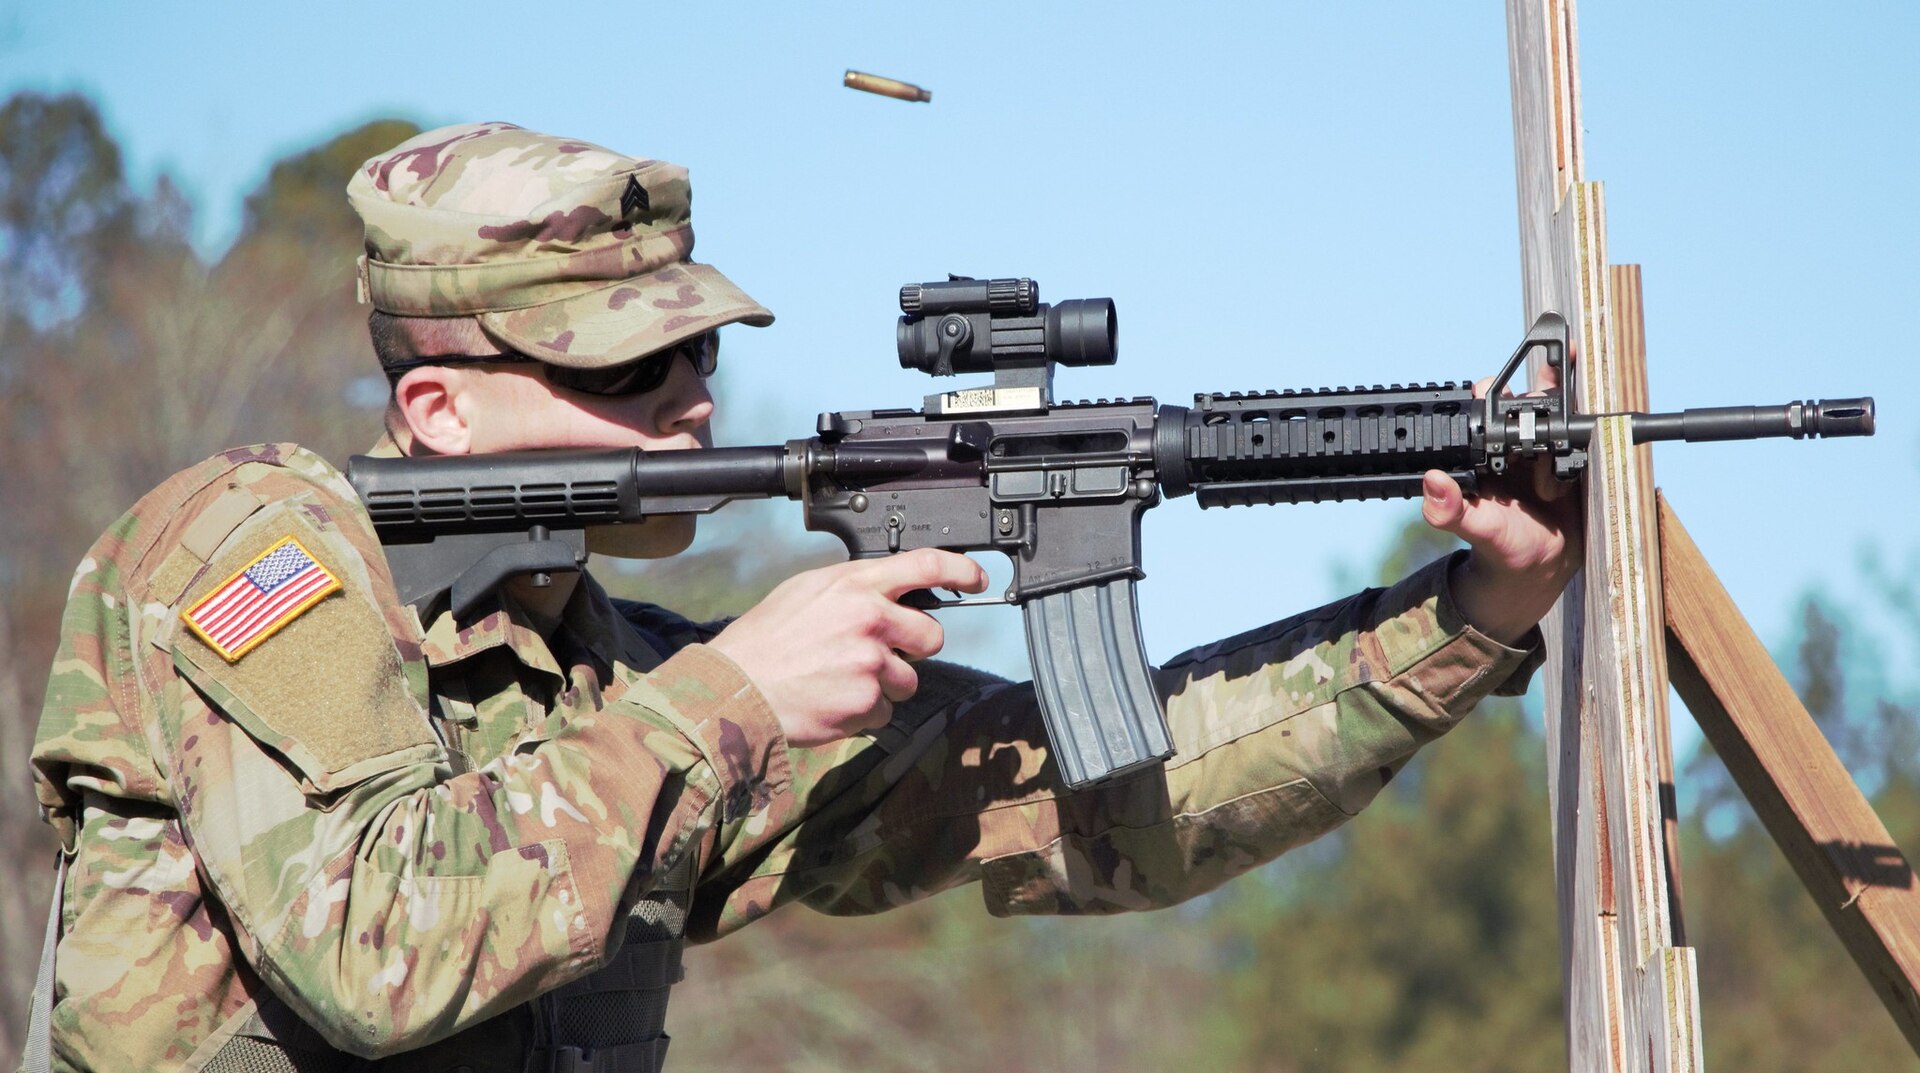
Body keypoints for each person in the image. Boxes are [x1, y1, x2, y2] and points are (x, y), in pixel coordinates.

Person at [27, 122, 1577, 1073]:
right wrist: (733, 700)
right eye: (626, 367)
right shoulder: (252, 550)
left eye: (696, 350)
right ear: (438, 413)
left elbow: (1105, 805)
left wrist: (1471, 616)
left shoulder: (595, 681)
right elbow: (370, 940)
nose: (691, 400)